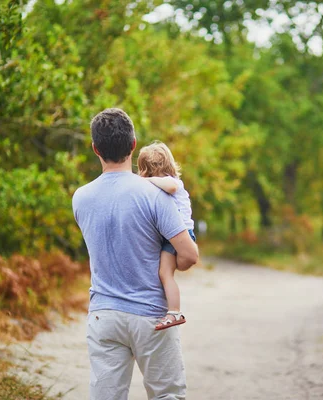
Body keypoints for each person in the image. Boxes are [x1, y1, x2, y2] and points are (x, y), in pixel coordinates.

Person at [72, 108, 199, 400]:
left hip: (104, 315)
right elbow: (189, 255)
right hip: (152, 315)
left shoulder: (81, 198)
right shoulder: (156, 196)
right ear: (133, 144)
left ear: (95, 149)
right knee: (167, 394)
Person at [137, 141, 195, 331]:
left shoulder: (173, 183)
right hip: (172, 235)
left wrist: (146, 181)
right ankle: (172, 310)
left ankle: (174, 311)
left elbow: (169, 187)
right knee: (164, 273)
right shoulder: (163, 185)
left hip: (181, 234)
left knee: (165, 273)